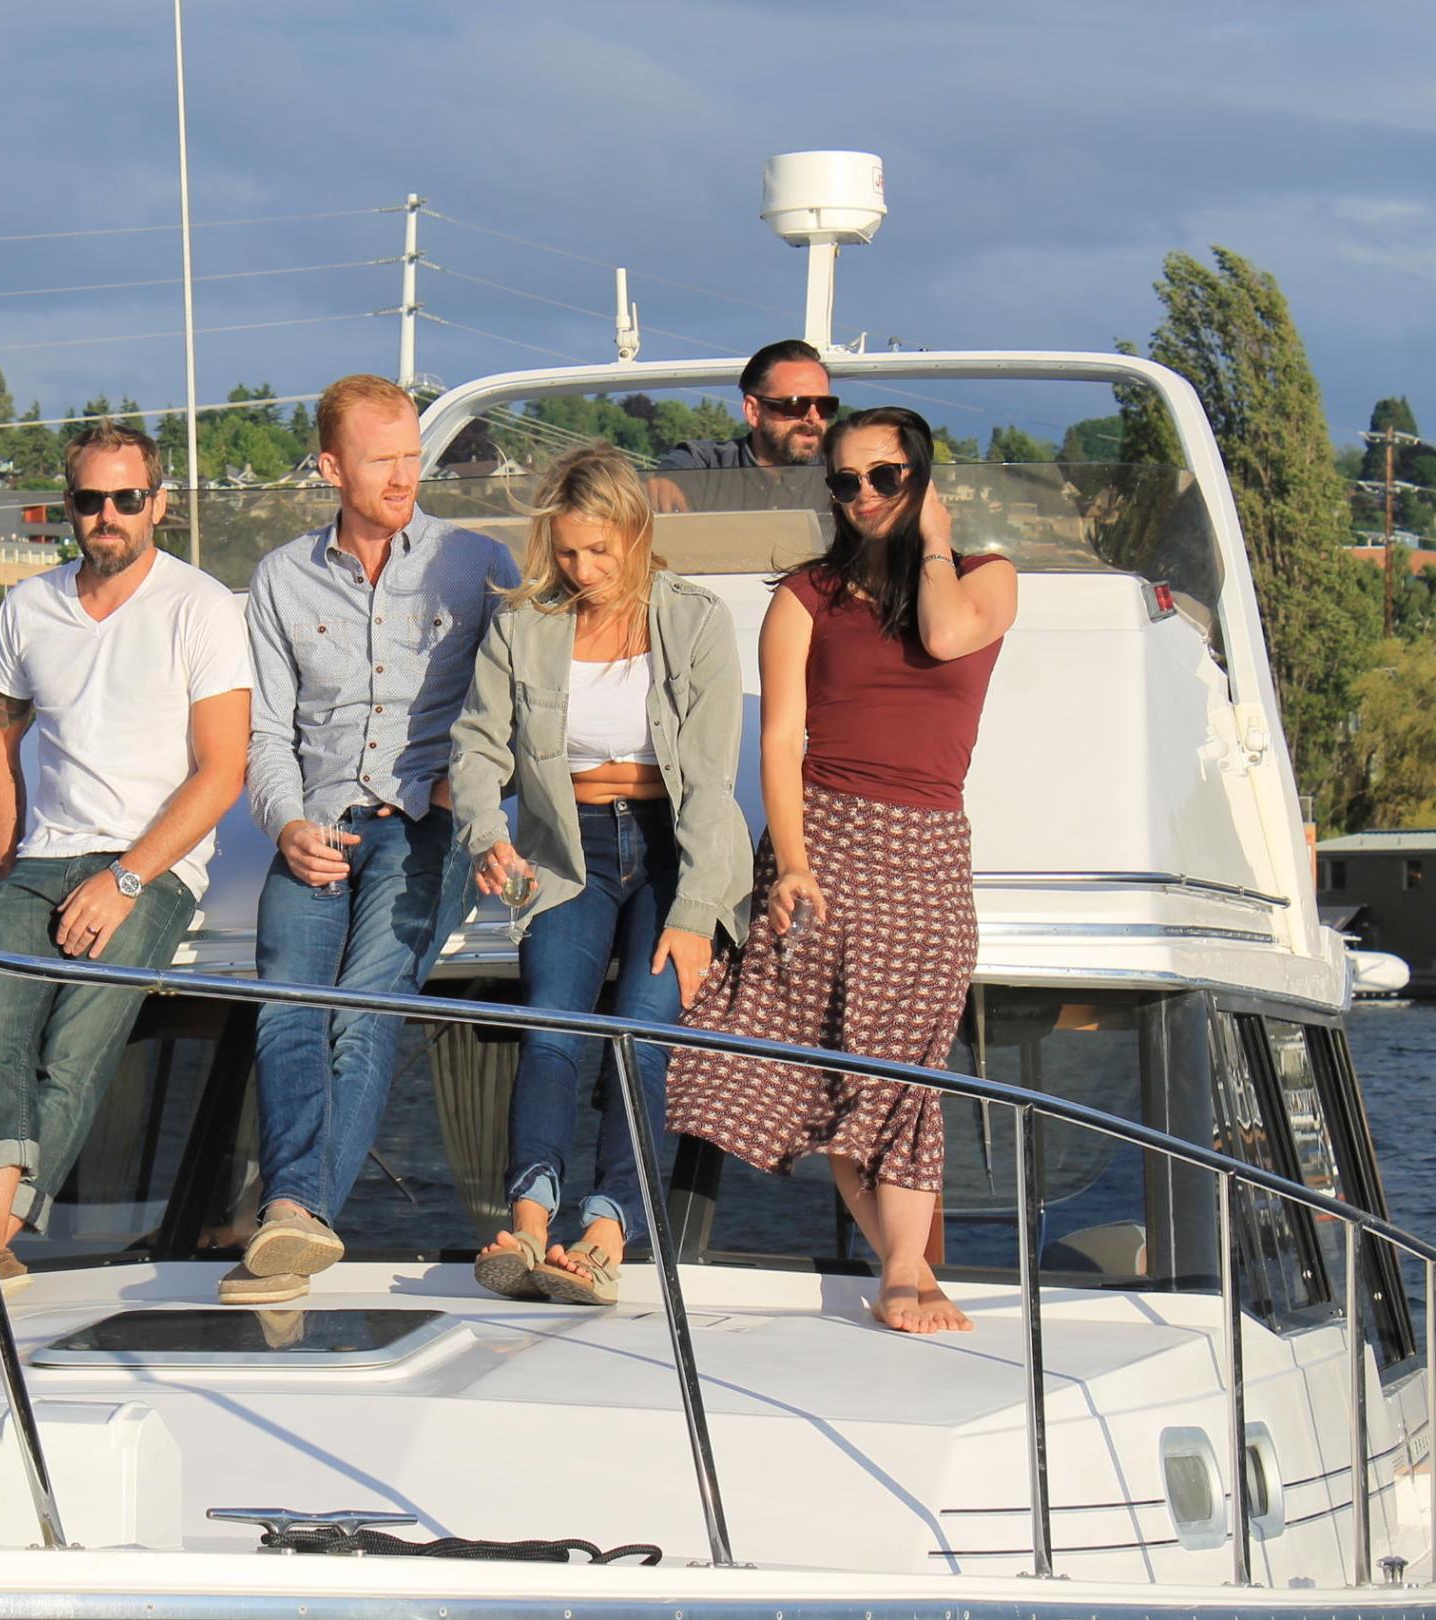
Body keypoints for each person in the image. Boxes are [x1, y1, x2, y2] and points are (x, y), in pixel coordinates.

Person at [665, 405, 1017, 1335]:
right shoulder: (804, 596)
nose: (863, 495)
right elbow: (780, 741)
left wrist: (933, 540)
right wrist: (790, 865)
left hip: (931, 846)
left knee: (907, 1067)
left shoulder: (989, 580)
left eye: (885, 477)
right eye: (846, 481)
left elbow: (944, 639)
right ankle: (907, 1271)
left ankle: (906, 1267)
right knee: (827, 1061)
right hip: (825, 832)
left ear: (923, 478)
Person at [0, 419, 251, 1320]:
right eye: (91, 500)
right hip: (41, 861)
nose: (108, 516)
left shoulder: (202, 608)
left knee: (73, 1048)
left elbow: (224, 770)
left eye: (126, 499)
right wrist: (12, 860)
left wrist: (127, 878)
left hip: (152, 870)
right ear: (69, 507)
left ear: (159, 505)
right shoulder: (30, 608)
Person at [230, 373, 519, 1304]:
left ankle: (293, 1211)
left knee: (363, 1012)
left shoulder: (476, 566)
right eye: (380, 458)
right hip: (316, 822)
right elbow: (267, 732)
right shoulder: (279, 578)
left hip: (426, 828)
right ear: (330, 467)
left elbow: (515, 707)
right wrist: (287, 823)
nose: (403, 476)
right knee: (286, 1009)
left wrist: (471, 790)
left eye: (411, 456)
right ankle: (297, 1217)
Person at [448, 444, 751, 1306]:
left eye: (599, 552)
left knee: (641, 1035)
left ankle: (609, 1231)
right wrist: (483, 836)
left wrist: (695, 911)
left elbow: (713, 778)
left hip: (676, 846)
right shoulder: (526, 622)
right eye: (569, 552)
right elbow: (477, 746)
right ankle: (529, 1226)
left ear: (636, 533)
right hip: (564, 852)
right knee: (550, 1030)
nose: (583, 570)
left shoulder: (695, 619)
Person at [646, 339, 835, 514]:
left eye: (825, 406)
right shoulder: (705, 465)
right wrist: (667, 483)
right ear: (753, 411)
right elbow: (675, 472)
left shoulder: (840, 475)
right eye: (796, 405)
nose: (813, 416)